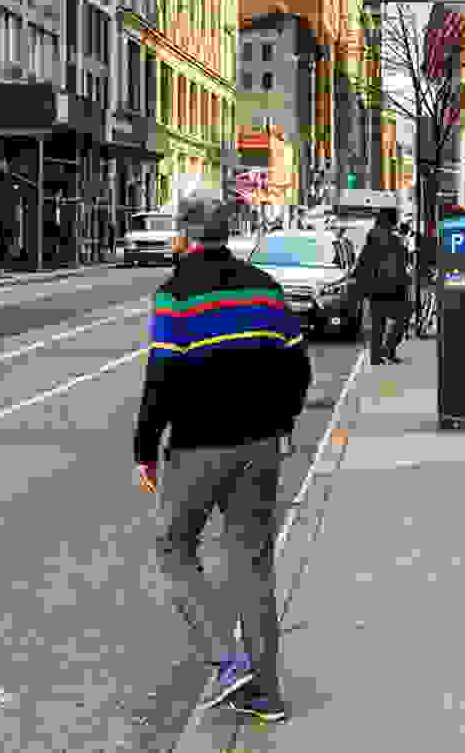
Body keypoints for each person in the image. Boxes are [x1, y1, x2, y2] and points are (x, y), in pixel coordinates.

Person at [133, 191, 313, 722]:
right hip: (260, 446)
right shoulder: (264, 288)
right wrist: (280, 423)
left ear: (185, 237)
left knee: (173, 547)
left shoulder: (175, 296)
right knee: (254, 567)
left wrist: (145, 449)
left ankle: (227, 659)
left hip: (198, 446)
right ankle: (267, 694)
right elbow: (297, 367)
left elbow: (160, 379)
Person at [352, 209, 414, 364]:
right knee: (403, 316)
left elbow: (362, 264)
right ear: (391, 221)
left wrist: (362, 288)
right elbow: (403, 261)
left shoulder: (371, 238)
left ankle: (376, 356)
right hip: (392, 287)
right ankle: (389, 349)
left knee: (378, 323)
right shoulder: (393, 240)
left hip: (375, 289)